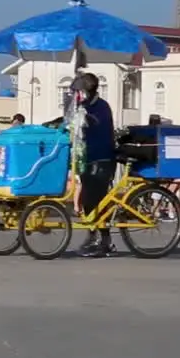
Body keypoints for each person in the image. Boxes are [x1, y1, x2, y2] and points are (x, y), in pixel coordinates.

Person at [71, 73, 115, 257]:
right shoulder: (83, 106)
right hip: (87, 157)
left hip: (102, 158)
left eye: (80, 91)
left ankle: (104, 241)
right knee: (88, 200)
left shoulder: (101, 107)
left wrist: (85, 117)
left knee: (98, 200)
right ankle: (93, 234)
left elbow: (96, 123)